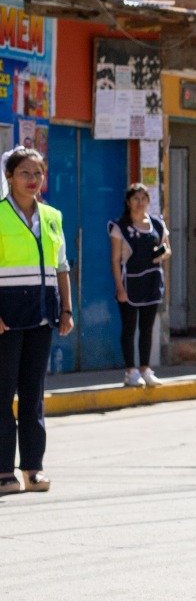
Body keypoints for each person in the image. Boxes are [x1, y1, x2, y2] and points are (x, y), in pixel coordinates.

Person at [0, 147, 73, 495]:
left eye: (38, 173)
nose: (33, 180)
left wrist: (66, 310)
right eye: (25, 173)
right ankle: (3, 472)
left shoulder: (52, 216)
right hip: (7, 317)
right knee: (2, 394)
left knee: (33, 395)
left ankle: (33, 468)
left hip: (43, 314)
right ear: (10, 177)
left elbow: (62, 267)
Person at [108, 183, 170, 387]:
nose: (140, 202)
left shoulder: (157, 224)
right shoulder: (120, 227)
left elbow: (168, 249)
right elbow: (115, 259)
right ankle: (130, 371)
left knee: (147, 327)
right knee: (129, 328)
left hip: (151, 280)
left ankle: (146, 369)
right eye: (135, 198)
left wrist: (159, 254)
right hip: (129, 282)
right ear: (128, 202)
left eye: (144, 198)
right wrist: (120, 288)